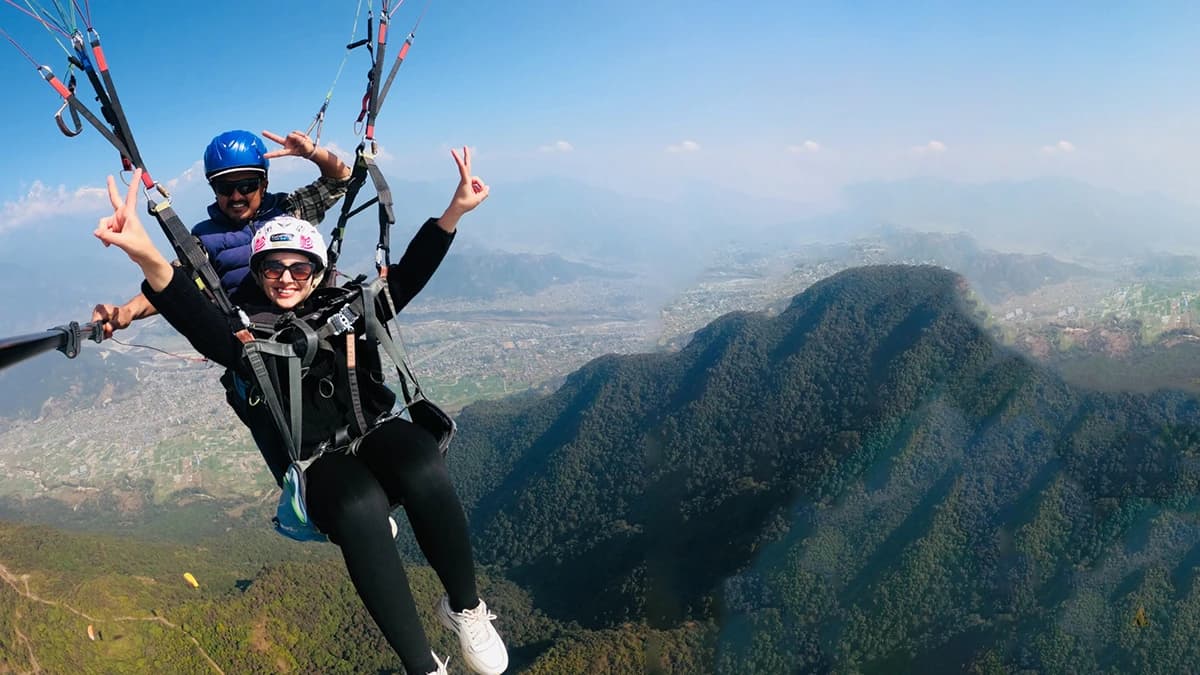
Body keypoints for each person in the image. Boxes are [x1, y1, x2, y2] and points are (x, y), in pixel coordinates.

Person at [93, 150, 508, 675]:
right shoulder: (247, 333)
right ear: (258, 271)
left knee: (422, 458)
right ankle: (421, 666)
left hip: (370, 430)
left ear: (318, 270)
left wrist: (454, 213)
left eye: (299, 267)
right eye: (273, 267)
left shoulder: (348, 305)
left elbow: (408, 277)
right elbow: (195, 315)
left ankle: (466, 610)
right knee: (359, 509)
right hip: (317, 461)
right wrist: (146, 257)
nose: (285, 278)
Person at [91, 128, 352, 332]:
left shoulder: (289, 211)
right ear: (214, 190)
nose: (236, 196)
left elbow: (340, 180)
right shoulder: (204, 240)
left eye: (247, 185)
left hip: (316, 328)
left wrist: (312, 153)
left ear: (264, 184)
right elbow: (174, 284)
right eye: (225, 188)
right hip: (258, 344)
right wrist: (126, 312)